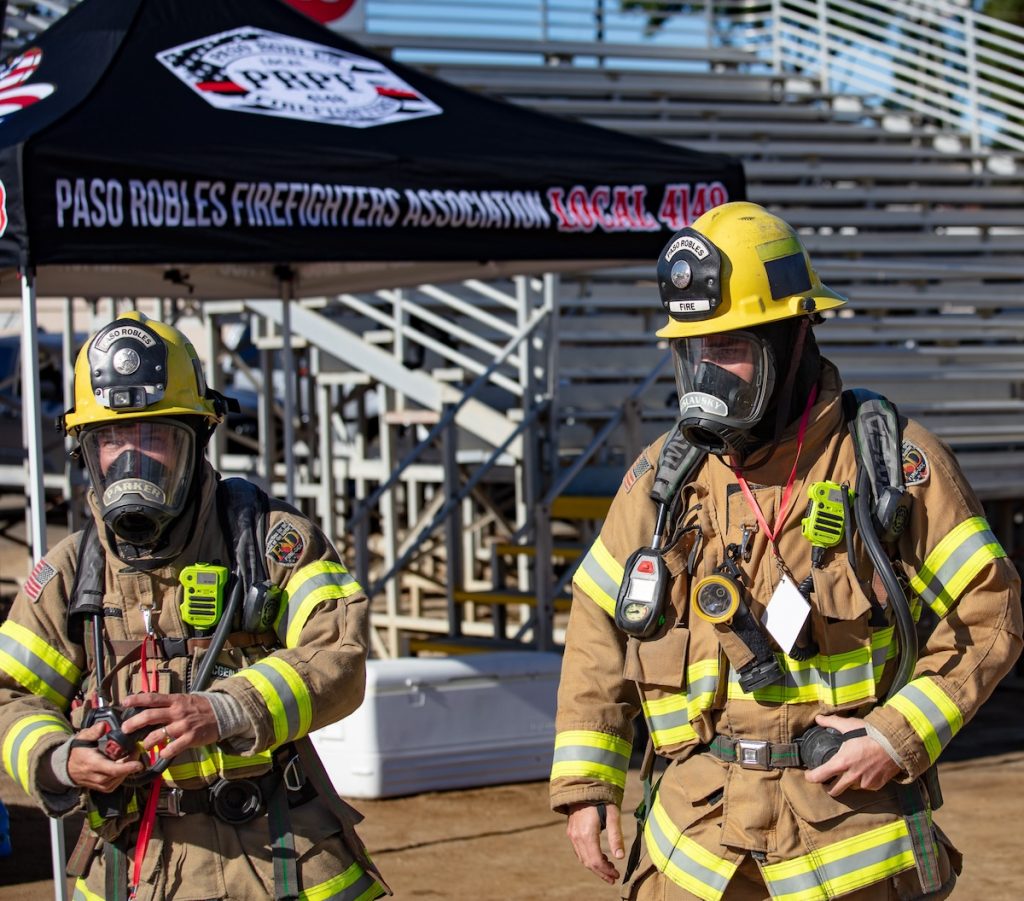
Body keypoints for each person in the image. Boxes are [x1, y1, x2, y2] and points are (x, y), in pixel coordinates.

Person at [550, 201, 1022, 900]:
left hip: (849, 849)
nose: (710, 374)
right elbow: (597, 623)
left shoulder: (890, 461)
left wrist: (895, 736)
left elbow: (992, 617)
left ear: (795, 336)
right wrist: (589, 781)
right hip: (693, 850)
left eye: (733, 346)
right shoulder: (663, 477)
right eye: (696, 351)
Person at [0, 311, 388, 900]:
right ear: (85, 451)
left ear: (198, 436)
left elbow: (340, 652)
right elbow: (10, 697)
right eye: (112, 441)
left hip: (280, 858)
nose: (133, 463)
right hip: (139, 871)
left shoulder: (271, 542)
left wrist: (227, 710)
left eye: (154, 438)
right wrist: (60, 759)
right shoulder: (69, 574)